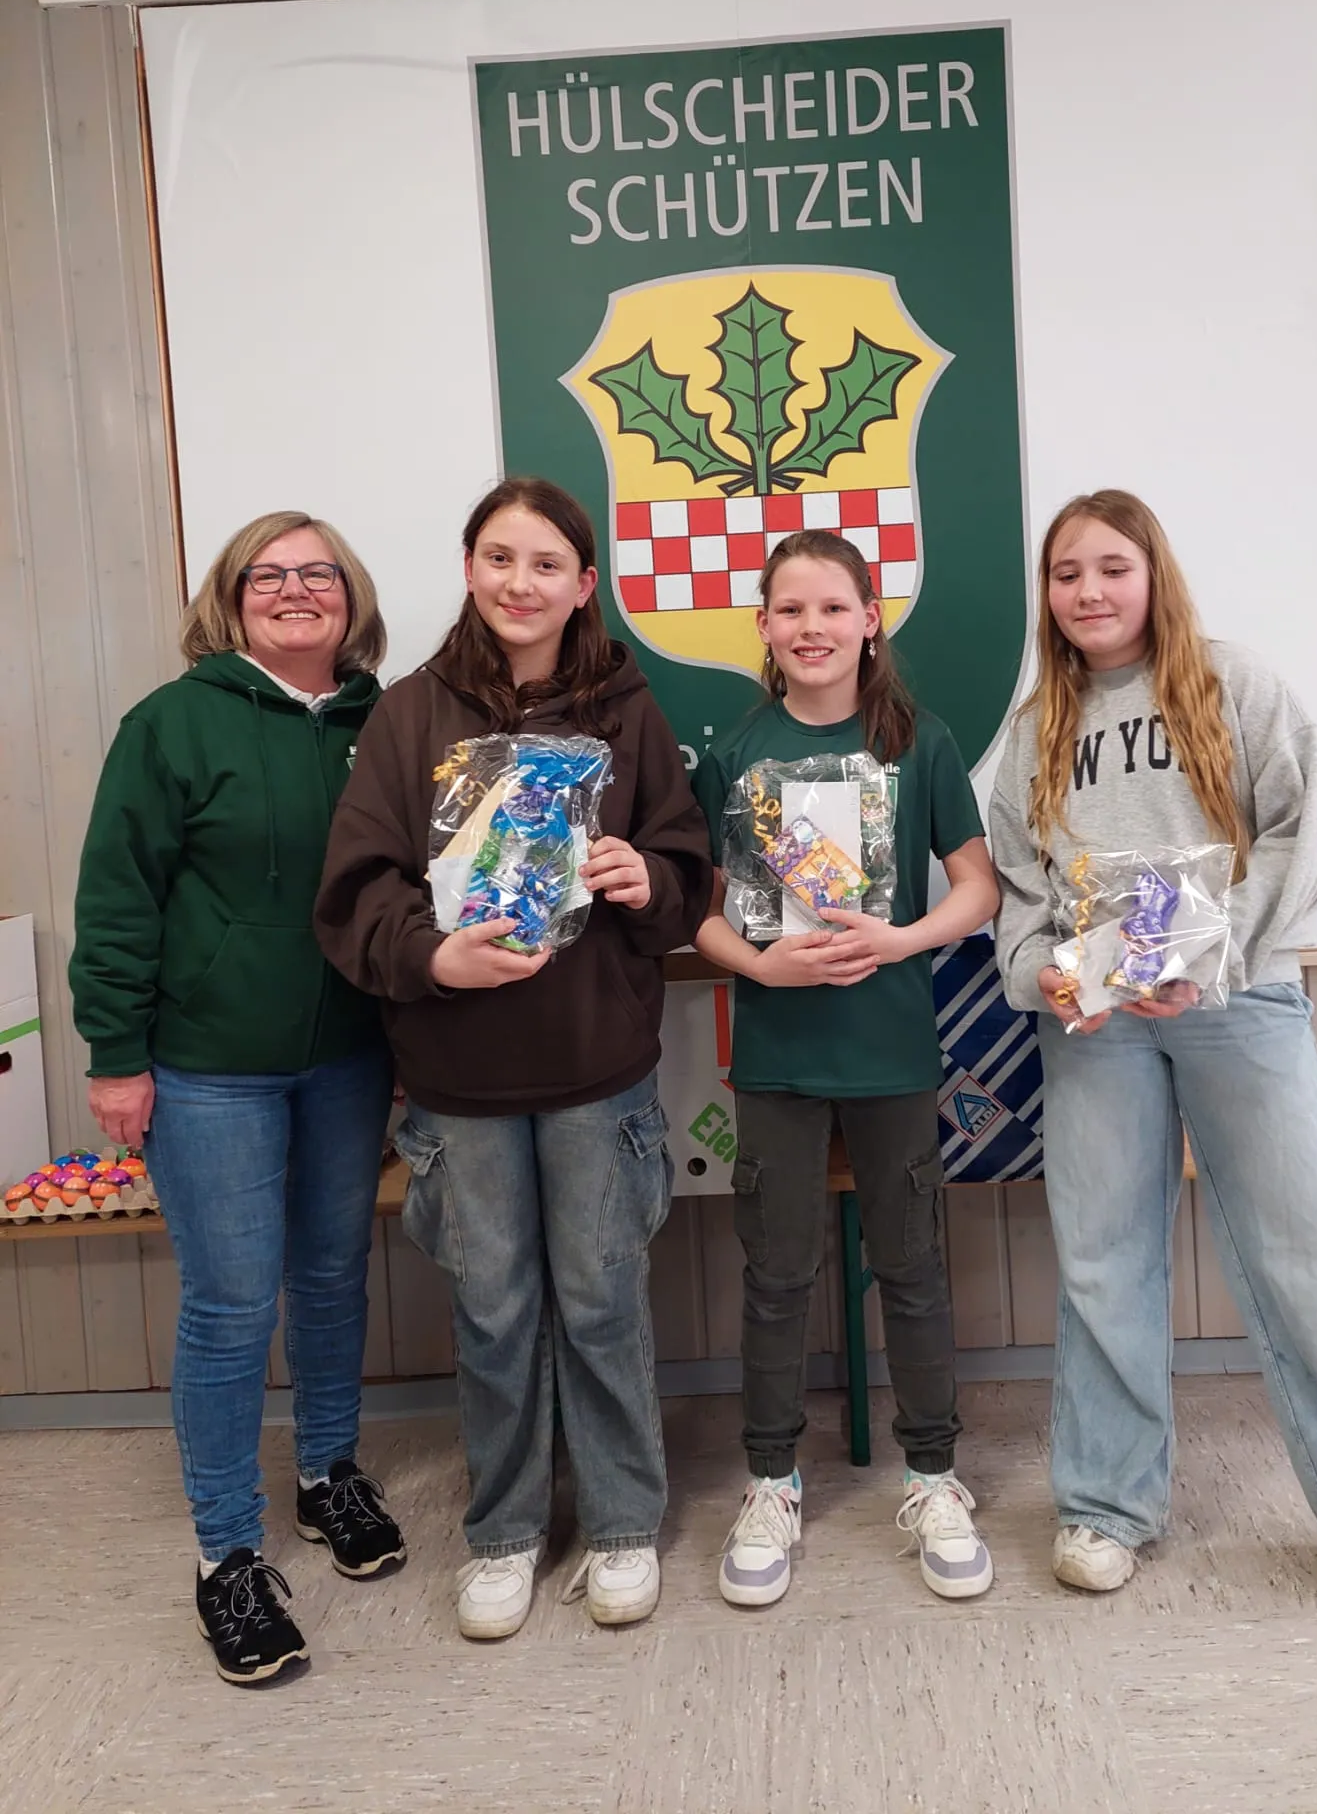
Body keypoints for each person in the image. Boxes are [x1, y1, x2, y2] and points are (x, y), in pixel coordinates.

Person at [989, 487, 1317, 1650]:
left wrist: (1212, 948)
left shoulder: (1234, 684)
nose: (1089, 591)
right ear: (1048, 594)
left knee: (1316, 1260)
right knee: (1101, 1262)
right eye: (1067, 573)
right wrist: (1056, 979)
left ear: (1153, 573)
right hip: (1097, 1029)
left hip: (1244, 1003)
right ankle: (1103, 1504)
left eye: (1111, 568)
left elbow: (1309, 830)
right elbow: (1020, 909)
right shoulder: (1030, 730)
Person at [314, 476, 712, 1640]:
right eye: (498, 556)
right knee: (491, 1309)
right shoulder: (408, 716)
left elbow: (684, 864)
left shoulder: (631, 710)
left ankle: (626, 1522)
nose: (519, 581)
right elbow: (358, 891)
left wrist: (652, 880)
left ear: (585, 584)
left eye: (546, 563)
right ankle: (503, 1530)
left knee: (601, 1302)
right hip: (458, 1076)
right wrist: (434, 959)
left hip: (597, 1068)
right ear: (470, 566)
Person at [70, 512, 406, 1687]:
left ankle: (326, 1475)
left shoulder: (389, 721)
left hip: (351, 1054)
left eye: (320, 572)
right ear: (231, 598)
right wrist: (117, 1054)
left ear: (350, 595)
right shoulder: (171, 725)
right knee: (226, 1301)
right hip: (208, 1065)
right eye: (270, 574)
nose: (296, 590)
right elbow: (118, 896)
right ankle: (228, 1553)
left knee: (330, 1274)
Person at [692, 530, 999, 1609]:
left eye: (834, 606)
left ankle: (933, 1473)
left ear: (872, 618)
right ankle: (771, 1479)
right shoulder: (737, 753)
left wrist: (900, 939)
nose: (812, 626)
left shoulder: (922, 742)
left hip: (892, 1052)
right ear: (764, 628)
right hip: (778, 1057)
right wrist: (762, 966)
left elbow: (979, 888)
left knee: (912, 1267)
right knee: (777, 1276)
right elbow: (704, 919)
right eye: (791, 609)